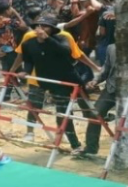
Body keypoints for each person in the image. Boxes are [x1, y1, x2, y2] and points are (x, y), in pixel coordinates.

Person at [12, 15, 91, 153]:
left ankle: (80, 138)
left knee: (74, 110)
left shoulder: (61, 39)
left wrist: (47, 39)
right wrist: (26, 71)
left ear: (52, 29)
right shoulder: (28, 44)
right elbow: (29, 60)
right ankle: (73, 144)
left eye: (45, 26)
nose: (41, 29)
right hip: (47, 81)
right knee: (58, 111)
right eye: (38, 26)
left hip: (68, 80)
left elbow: (66, 52)